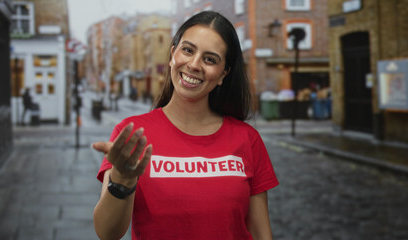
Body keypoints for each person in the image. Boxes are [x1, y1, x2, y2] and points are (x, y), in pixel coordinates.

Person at [92, 11, 279, 240]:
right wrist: (122, 180)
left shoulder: (247, 139)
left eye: (210, 59)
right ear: (172, 54)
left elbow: (261, 233)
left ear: (223, 74)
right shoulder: (132, 133)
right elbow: (106, 232)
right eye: (188, 50)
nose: (194, 64)